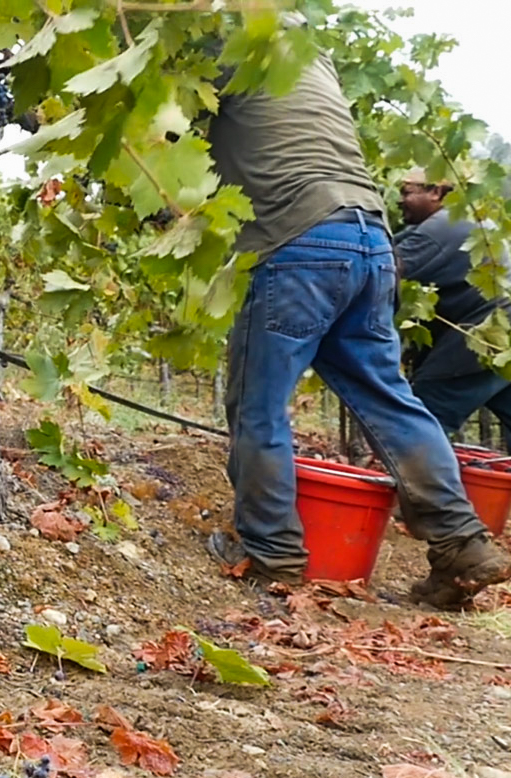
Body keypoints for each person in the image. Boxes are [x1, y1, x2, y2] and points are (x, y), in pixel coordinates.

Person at [201, 37, 511, 610]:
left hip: (297, 240)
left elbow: (157, 120)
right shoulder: (307, 49)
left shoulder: (213, 37)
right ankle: (462, 543)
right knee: (389, 399)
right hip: (369, 239)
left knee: (257, 406)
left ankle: (272, 555)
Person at [395, 168, 511, 446]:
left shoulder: (440, 228)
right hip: (502, 337)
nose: (399, 200)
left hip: (483, 337)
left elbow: (383, 267)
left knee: (425, 412)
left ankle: (420, 474)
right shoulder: (463, 219)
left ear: (435, 192)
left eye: (407, 192)